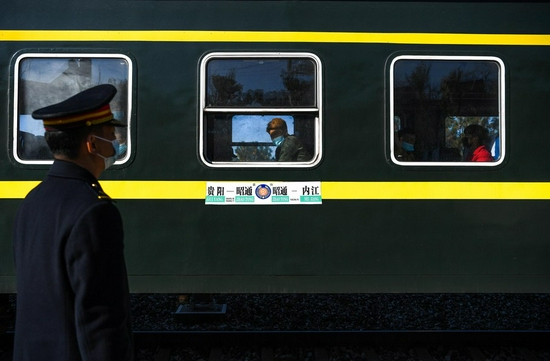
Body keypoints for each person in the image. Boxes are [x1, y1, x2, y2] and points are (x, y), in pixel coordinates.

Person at [12, 84, 134, 360]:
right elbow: (100, 319)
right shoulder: (94, 211)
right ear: (91, 144)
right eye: (109, 132)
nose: (115, 138)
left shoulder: (33, 200)